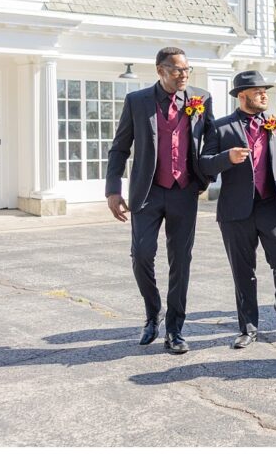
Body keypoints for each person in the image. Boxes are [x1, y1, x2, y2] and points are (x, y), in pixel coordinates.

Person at [199, 71, 276, 348]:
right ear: (242, 96)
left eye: (265, 90)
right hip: (235, 211)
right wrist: (226, 158)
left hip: (274, 207)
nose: (264, 94)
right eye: (258, 91)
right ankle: (248, 327)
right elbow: (204, 164)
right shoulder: (220, 128)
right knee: (243, 271)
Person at [105, 46, 214, 354]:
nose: (184, 75)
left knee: (181, 261)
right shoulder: (137, 101)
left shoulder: (201, 99)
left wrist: (205, 178)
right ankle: (153, 313)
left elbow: (212, 140)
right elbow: (119, 148)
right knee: (141, 255)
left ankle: (175, 330)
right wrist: (113, 190)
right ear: (160, 71)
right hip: (148, 192)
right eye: (177, 70)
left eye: (187, 70)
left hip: (184, 191)